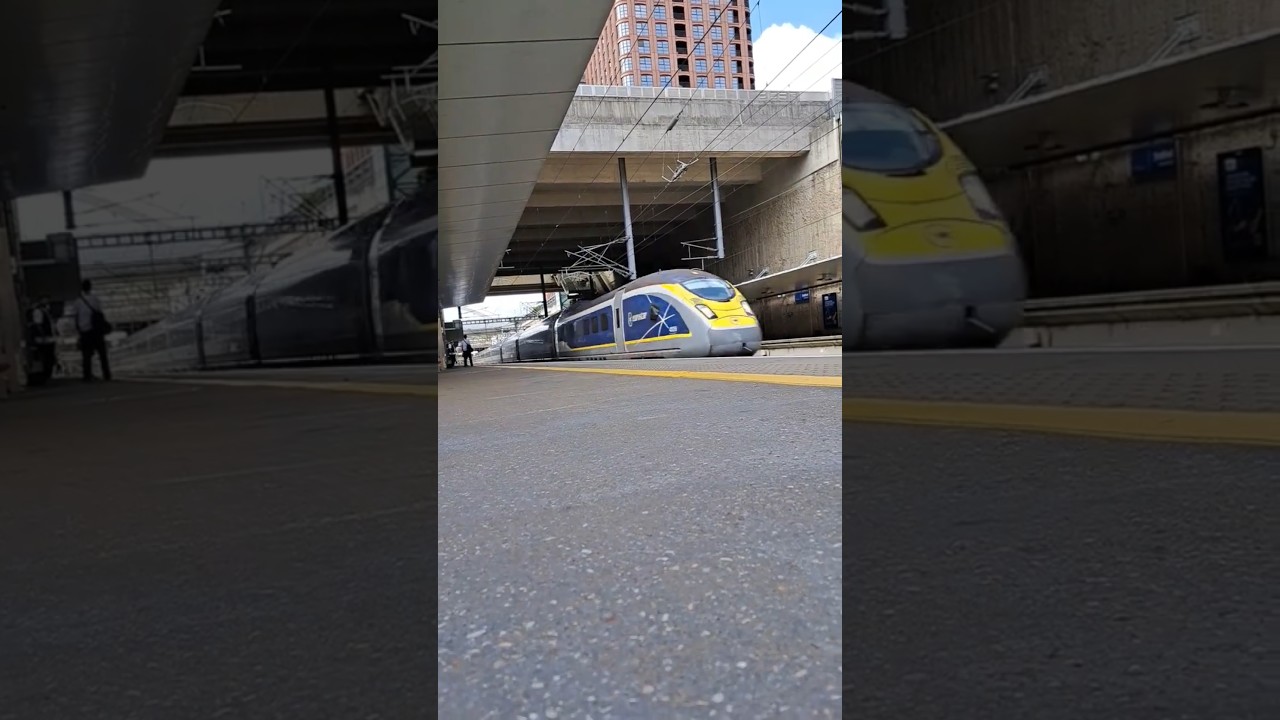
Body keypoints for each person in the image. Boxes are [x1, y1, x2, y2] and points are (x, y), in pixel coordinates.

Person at [74, 280, 112, 382]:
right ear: (90, 287)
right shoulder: (95, 299)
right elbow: (100, 312)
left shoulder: (78, 301)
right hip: (96, 330)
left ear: (82, 288)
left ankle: (87, 376)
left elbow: (76, 317)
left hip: (85, 331)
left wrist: (79, 330)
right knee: (102, 354)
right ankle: (107, 374)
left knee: (86, 355)